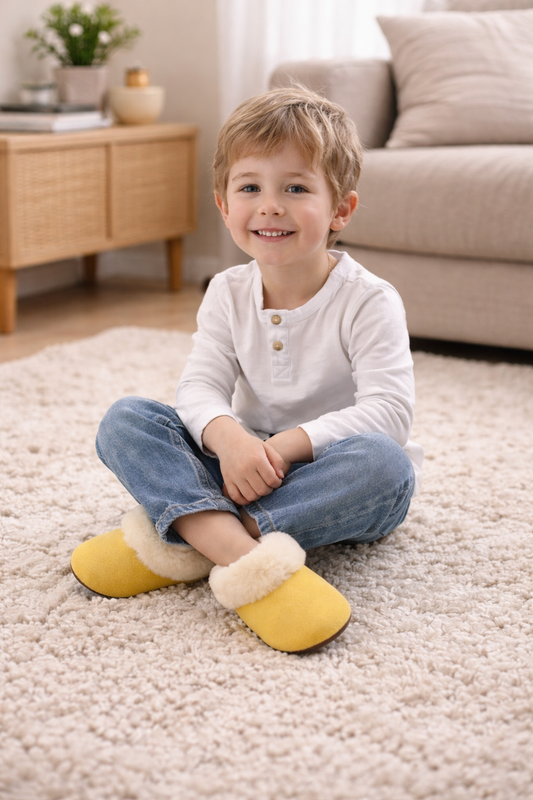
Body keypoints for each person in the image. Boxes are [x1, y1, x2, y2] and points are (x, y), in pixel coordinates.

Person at [70, 86, 423, 654]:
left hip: (327, 468)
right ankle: (237, 550)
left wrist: (282, 448)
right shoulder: (227, 291)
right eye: (250, 187)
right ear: (223, 204)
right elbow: (201, 385)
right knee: (127, 420)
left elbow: (389, 414)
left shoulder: (369, 300)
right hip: (240, 458)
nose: (270, 205)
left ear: (342, 209)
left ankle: (187, 539)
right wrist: (228, 437)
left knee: (386, 467)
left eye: (296, 188)